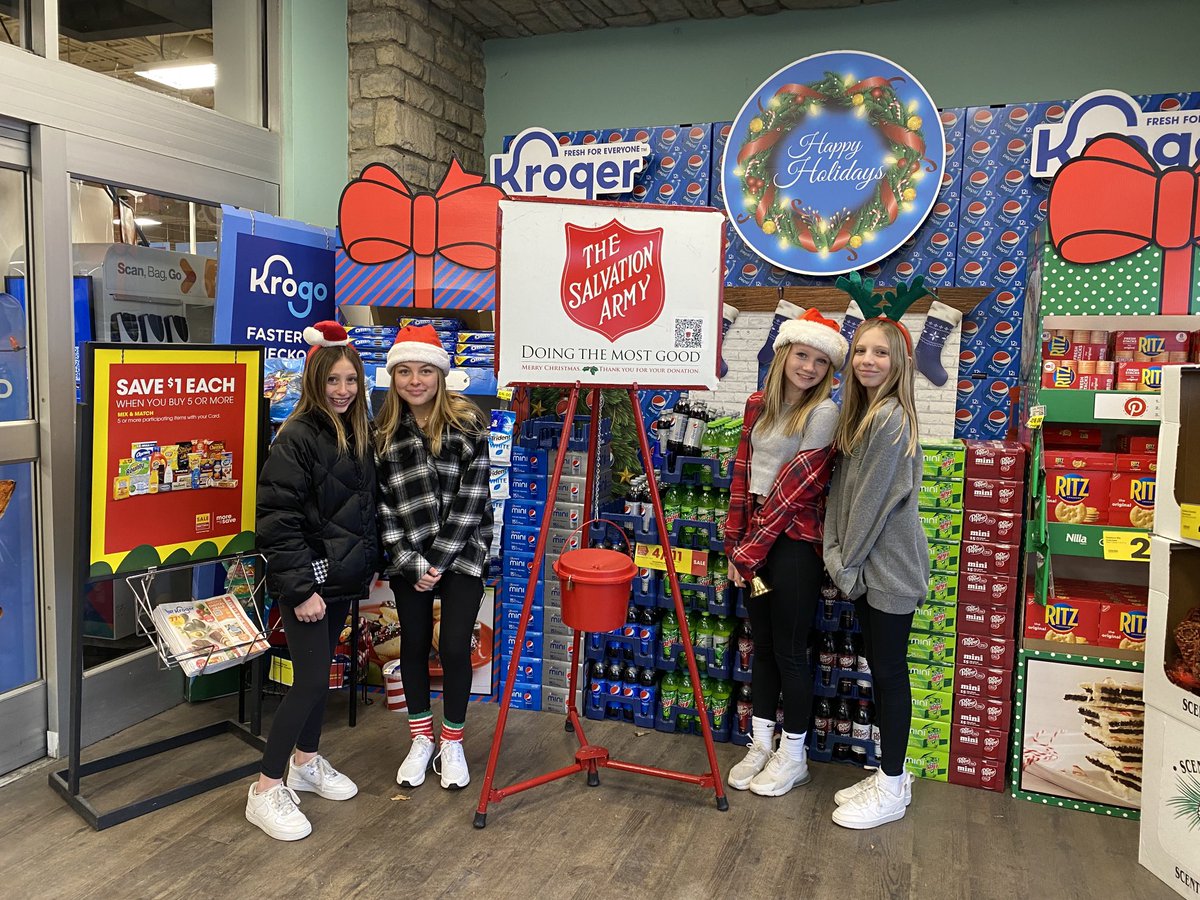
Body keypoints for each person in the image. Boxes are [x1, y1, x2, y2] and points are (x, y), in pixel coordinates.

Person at [248, 320, 378, 841]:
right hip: (309, 581)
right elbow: (277, 518)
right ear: (314, 381)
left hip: (343, 577)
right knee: (305, 681)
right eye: (332, 381)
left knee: (321, 677)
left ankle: (306, 760)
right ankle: (264, 787)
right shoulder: (296, 435)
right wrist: (300, 590)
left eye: (350, 380)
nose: (342, 390)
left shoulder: (358, 431)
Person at [724, 308, 848, 797]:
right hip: (755, 546)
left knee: (793, 650)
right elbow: (741, 474)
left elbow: (795, 490)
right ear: (784, 355)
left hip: (793, 547)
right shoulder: (758, 404)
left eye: (821, 361)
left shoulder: (824, 413)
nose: (810, 368)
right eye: (802, 355)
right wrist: (734, 544)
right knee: (764, 644)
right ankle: (760, 744)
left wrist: (748, 552)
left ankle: (793, 755)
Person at [823, 315, 930, 829]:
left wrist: (845, 563)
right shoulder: (865, 415)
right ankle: (892, 774)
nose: (868, 359)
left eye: (880, 352)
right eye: (861, 350)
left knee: (889, 673)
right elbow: (844, 496)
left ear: (900, 362)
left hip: (887, 569)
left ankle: (892, 786)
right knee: (881, 670)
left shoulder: (889, 419)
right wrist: (840, 554)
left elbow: (870, 505)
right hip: (868, 566)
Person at [376, 324, 492, 791]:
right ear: (394, 376)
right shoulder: (383, 432)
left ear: (440, 375)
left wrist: (439, 561)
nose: (415, 380)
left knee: (453, 645)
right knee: (414, 644)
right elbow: (382, 504)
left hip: (462, 553)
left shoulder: (467, 423)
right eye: (405, 371)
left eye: (425, 370)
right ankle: (421, 737)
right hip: (409, 559)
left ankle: (453, 741)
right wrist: (409, 560)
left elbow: (474, 497)